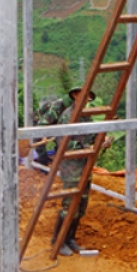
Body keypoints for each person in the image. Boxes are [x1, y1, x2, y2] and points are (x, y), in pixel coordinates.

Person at [33, 86, 97, 256]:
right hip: (71, 167)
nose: (86, 98)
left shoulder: (87, 117)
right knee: (69, 205)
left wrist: (100, 143)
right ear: (75, 95)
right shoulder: (67, 116)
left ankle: (70, 238)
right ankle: (58, 241)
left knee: (81, 205)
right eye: (83, 95)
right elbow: (63, 142)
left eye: (89, 96)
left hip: (84, 165)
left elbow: (93, 138)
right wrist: (85, 146)